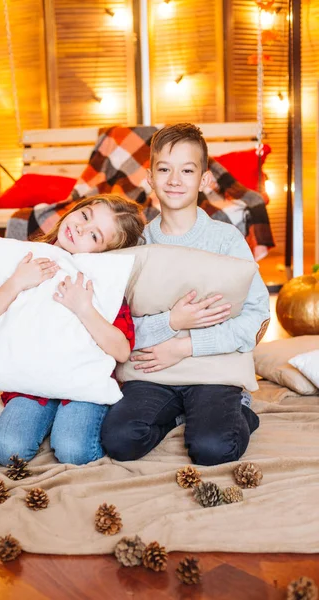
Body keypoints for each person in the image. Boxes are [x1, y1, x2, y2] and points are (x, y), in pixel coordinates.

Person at [101, 123, 270, 466]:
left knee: (213, 448)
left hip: (212, 370)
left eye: (187, 170)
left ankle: (233, 411)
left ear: (204, 180)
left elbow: (257, 318)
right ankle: (180, 415)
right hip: (153, 371)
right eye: (164, 169)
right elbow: (118, 326)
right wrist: (171, 321)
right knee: (119, 441)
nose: (174, 179)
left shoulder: (226, 241)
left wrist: (187, 345)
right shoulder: (138, 245)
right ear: (149, 177)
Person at [0, 194, 144, 466]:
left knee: (75, 450)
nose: (81, 228)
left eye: (95, 236)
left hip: (80, 387)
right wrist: (16, 283)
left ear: (104, 253)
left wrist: (84, 308)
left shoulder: (101, 282)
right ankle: (47, 420)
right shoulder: (25, 259)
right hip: (28, 384)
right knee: (7, 449)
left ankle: (63, 425)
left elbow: (122, 351)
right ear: (75, 209)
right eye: (85, 216)